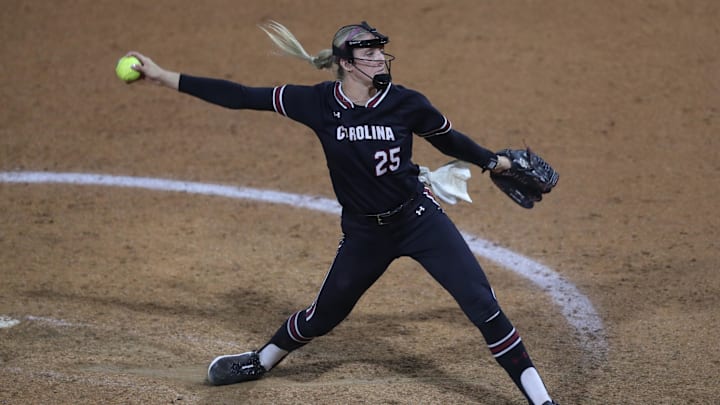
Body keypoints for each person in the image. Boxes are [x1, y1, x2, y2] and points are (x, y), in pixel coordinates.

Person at [126, 20, 558, 405]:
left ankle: (541, 401)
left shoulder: (407, 103)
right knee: (323, 316)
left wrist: (495, 163)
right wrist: (163, 77)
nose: (379, 59)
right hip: (365, 235)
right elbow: (241, 96)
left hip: (418, 219)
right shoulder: (317, 103)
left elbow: (450, 141)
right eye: (368, 53)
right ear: (347, 64)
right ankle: (261, 361)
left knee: (483, 305)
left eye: (378, 51)